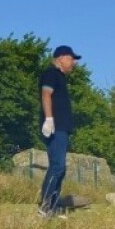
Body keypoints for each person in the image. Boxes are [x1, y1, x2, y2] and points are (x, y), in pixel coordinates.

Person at [38, 45, 80, 219]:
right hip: (55, 127)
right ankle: (45, 206)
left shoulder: (61, 77)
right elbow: (46, 95)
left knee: (61, 169)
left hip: (63, 128)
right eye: (71, 58)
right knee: (57, 166)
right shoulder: (51, 74)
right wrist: (49, 119)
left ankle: (53, 208)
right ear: (61, 58)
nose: (74, 62)